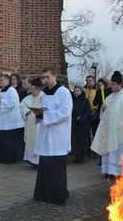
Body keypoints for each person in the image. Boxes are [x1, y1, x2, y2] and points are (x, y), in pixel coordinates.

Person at [33, 68, 72, 204]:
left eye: (47, 77)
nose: (45, 80)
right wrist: (38, 114)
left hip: (58, 134)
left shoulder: (64, 92)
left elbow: (65, 113)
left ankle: (57, 196)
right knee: (44, 165)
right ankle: (43, 194)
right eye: (43, 78)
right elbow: (43, 109)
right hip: (45, 133)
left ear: (55, 76)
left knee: (56, 167)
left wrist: (46, 115)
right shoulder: (44, 93)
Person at [92, 71, 123, 176]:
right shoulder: (110, 97)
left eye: (113, 84)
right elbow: (104, 116)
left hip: (122, 133)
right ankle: (110, 171)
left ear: (120, 84)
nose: (111, 86)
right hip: (110, 131)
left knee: (119, 153)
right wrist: (103, 110)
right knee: (110, 152)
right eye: (111, 84)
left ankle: (120, 172)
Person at [0, 73, 25, 163]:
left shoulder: (12, 90)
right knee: (0, 139)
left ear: (7, 80)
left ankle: (10, 159)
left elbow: (12, 104)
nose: (0, 81)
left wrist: (1, 100)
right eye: (0, 80)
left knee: (9, 141)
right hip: (0, 119)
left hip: (10, 119)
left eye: (2, 80)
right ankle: (0, 157)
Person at [20, 78, 44, 165]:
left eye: (33, 89)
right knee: (31, 142)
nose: (32, 91)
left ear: (38, 89)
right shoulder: (28, 98)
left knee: (38, 142)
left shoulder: (44, 97)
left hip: (39, 125)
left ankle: (39, 162)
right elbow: (21, 106)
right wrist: (27, 111)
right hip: (30, 124)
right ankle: (32, 162)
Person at [71, 85, 91, 163]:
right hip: (74, 123)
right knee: (75, 140)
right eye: (75, 91)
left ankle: (82, 156)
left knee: (82, 140)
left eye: (78, 91)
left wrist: (81, 119)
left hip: (83, 124)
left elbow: (87, 111)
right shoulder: (72, 100)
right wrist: (74, 119)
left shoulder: (85, 100)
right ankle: (76, 156)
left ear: (81, 91)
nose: (76, 93)